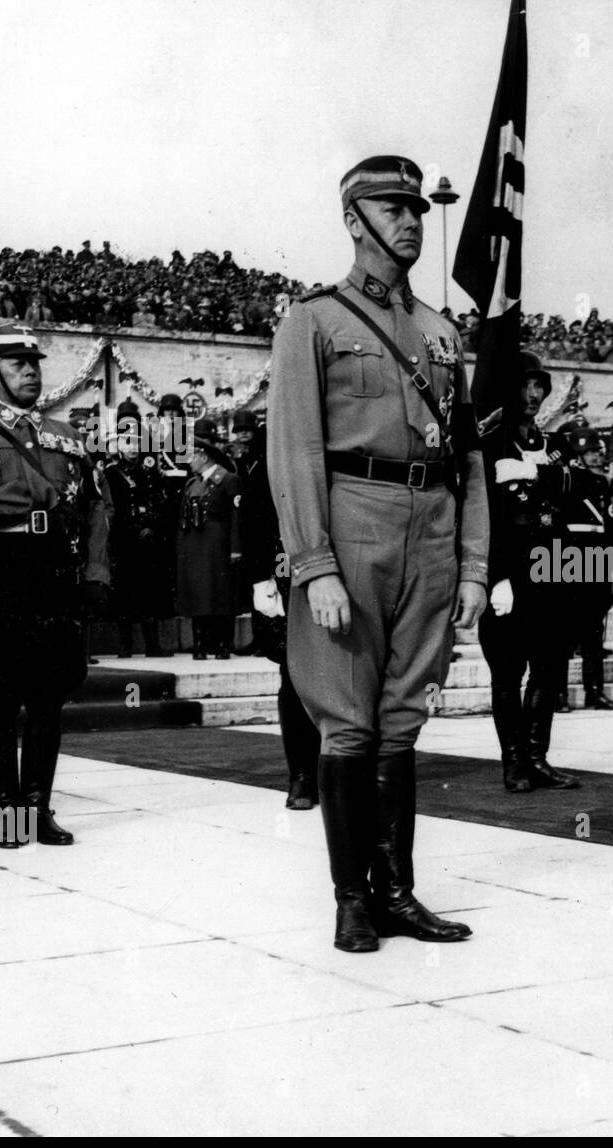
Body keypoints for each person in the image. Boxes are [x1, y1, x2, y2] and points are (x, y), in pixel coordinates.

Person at [267, 154, 488, 953]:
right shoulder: (314, 320)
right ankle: (350, 897)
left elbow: (468, 460)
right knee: (348, 725)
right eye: (392, 207)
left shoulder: (439, 331)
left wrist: (472, 564)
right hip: (352, 520)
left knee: (402, 722)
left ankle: (398, 890)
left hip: (430, 525)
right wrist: (313, 563)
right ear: (354, 219)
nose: (411, 220)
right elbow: (292, 450)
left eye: (418, 208)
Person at [0, 324, 110, 848]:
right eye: (16, 364)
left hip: (53, 570)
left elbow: (99, 509)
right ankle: (7, 812)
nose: (29, 371)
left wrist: (97, 575)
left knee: (49, 695)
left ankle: (38, 807)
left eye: (33, 362)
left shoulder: (69, 438)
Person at [479, 353, 580, 790]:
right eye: (525, 385)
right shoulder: (489, 444)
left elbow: (580, 488)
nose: (534, 394)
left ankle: (537, 757)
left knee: (547, 667)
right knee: (507, 671)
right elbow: (480, 515)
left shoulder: (547, 442)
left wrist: (536, 470)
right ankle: (514, 762)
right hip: (510, 569)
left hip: (551, 568)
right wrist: (494, 575)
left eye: (539, 386)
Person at [239, 420, 320, 809]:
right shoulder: (267, 446)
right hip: (284, 571)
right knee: (293, 674)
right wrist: (259, 580)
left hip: (334, 565)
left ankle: (333, 769)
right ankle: (301, 775)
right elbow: (252, 520)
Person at [556, 424, 613, 713]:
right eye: (589, 452)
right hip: (569, 557)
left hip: (598, 557)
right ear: (576, 457)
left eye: (598, 451)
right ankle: (557, 693)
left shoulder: (604, 485)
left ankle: (594, 692)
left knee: (595, 632)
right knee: (563, 633)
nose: (597, 456)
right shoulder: (566, 481)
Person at [105, 403, 172, 657]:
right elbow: (110, 508)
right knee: (124, 593)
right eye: (127, 442)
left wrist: (150, 525)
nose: (132, 447)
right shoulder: (111, 474)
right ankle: (125, 646)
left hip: (147, 540)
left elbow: (159, 503)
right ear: (118, 444)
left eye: (136, 442)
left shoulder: (149, 472)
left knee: (150, 591)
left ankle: (153, 645)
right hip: (123, 540)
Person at [176, 418, 241, 660]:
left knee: (221, 595)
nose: (188, 460)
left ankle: (223, 644)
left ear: (203, 457)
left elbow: (236, 517)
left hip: (218, 544)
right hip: (194, 545)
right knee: (198, 595)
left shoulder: (227, 479)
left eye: (191, 455)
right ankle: (201, 644)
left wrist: (236, 548)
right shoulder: (191, 484)